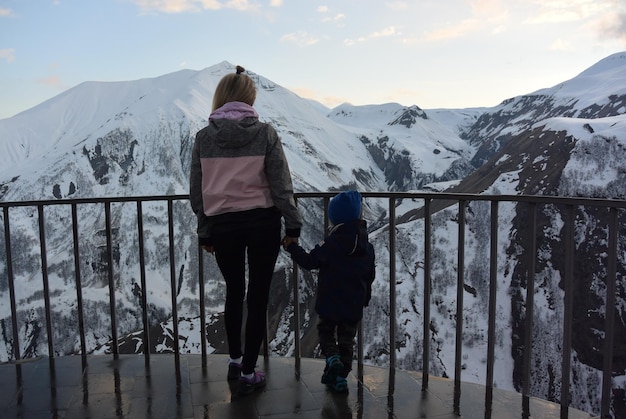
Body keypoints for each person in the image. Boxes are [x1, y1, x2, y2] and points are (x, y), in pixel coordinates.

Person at [189, 65, 302, 395]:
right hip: (263, 225)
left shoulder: (203, 138)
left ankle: (235, 359)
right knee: (258, 295)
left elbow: (198, 191)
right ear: (249, 99)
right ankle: (251, 370)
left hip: (223, 227)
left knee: (234, 291)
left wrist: (205, 230)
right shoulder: (265, 134)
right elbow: (281, 185)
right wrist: (293, 223)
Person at [283, 190, 375, 393]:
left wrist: (292, 248)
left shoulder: (331, 244)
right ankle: (340, 378)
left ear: (335, 219)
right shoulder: (367, 246)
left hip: (330, 301)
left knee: (326, 333)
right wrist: (364, 298)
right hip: (353, 305)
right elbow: (370, 275)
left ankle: (332, 358)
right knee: (347, 341)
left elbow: (310, 261)